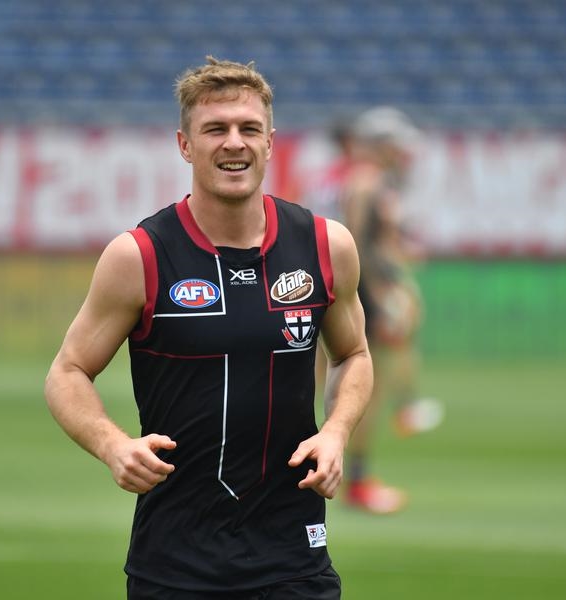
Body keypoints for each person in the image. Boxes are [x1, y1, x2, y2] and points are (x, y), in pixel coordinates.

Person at [45, 57, 373, 599]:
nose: (234, 143)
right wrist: (113, 445)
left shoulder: (325, 246)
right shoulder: (139, 256)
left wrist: (336, 432)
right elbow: (67, 371)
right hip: (174, 561)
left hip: (294, 555)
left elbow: (353, 355)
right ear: (185, 145)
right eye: (215, 129)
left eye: (249, 129)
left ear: (270, 143)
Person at [336, 106, 444, 515]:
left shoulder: (366, 181)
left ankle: (354, 479)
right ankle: (356, 482)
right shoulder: (367, 184)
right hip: (362, 296)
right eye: (397, 147)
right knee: (364, 390)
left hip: (360, 294)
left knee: (352, 390)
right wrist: (378, 299)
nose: (403, 155)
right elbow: (358, 245)